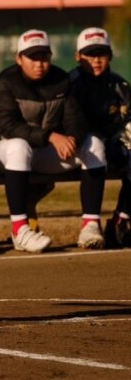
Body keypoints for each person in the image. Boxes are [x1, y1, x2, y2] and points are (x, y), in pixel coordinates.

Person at [0, 29, 105, 252]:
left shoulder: (62, 79)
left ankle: (91, 225)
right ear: (19, 59)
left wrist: (73, 138)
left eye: (43, 56)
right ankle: (20, 230)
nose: (39, 63)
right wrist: (52, 136)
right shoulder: (6, 81)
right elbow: (8, 126)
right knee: (18, 146)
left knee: (94, 144)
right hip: (4, 153)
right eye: (32, 57)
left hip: (41, 153)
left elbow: (76, 119)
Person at [68, 27, 131, 248]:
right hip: (80, 148)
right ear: (78, 56)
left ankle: (120, 220)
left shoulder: (120, 85)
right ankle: (90, 225)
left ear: (110, 56)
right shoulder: (70, 84)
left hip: (113, 145)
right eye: (89, 53)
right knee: (95, 145)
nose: (96, 59)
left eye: (101, 53)